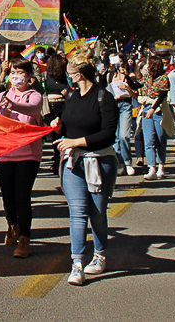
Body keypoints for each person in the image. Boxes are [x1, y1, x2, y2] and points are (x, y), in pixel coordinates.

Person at [51, 49, 118, 286]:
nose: (67, 77)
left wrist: (76, 142)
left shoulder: (104, 97)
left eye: (69, 73)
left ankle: (99, 255)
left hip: (100, 162)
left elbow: (108, 134)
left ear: (79, 74)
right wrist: (59, 128)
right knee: (77, 213)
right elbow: (68, 126)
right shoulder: (70, 96)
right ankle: (77, 263)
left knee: (97, 213)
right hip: (74, 163)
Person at [0, 59, 44, 258]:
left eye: (21, 72)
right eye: (13, 71)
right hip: (5, 153)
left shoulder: (35, 96)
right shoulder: (4, 95)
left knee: (22, 196)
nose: (16, 76)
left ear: (29, 76)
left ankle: (24, 238)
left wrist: (13, 105)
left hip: (28, 153)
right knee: (8, 197)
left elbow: (32, 110)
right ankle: (12, 224)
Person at [138, 56, 169, 180]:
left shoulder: (164, 78)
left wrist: (153, 108)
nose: (147, 65)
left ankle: (161, 164)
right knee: (149, 140)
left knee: (160, 138)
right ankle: (152, 167)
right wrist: (127, 77)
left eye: (149, 63)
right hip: (146, 109)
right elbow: (136, 85)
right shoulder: (146, 77)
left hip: (159, 110)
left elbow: (162, 95)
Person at [106, 58, 137, 175]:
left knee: (124, 135)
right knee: (115, 136)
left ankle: (128, 162)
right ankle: (119, 163)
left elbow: (135, 91)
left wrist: (127, 79)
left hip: (125, 105)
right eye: (116, 62)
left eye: (120, 61)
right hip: (113, 105)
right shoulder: (110, 76)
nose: (118, 64)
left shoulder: (130, 75)